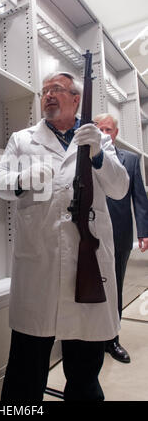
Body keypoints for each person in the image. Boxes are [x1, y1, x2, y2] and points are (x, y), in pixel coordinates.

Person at [0, 72, 129, 401]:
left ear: (76, 98)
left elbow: (120, 188)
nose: (48, 95)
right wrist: (23, 178)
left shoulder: (99, 139)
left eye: (57, 89)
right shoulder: (23, 139)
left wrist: (97, 155)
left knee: (84, 373)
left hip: (88, 266)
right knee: (26, 372)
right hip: (40, 266)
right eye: (44, 91)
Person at [94, 113, 148, 363]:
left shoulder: (131, 159)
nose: (103, 133)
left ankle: (111, 339)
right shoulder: (85, 155)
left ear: (115, 133)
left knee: (114, 286)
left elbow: (140, 198)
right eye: (98, 128)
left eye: (107, 129)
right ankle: (90, 339)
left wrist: (144, 232)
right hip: (89, 234)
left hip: (120, 234)